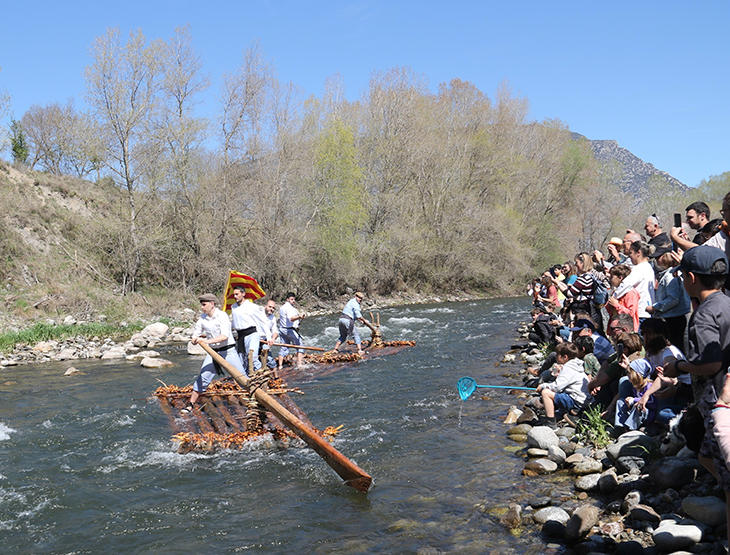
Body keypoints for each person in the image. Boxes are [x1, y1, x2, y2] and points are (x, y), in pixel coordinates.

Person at [663, 244, 730, 535]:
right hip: (721, 399)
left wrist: (679, 368)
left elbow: (711, 363)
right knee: (704, 456)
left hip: (718, 401)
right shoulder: (726, 302)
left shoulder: (704, 315)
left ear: (691, 277)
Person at [183, 294, 245, 413]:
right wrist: (194, 339)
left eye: (204, 304)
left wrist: (205, 341)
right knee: (203, 377)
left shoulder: (222, 316)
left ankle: (256, 399)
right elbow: (196, 333)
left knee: (240, 377)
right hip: (212, 352)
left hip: (228, 351)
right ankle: (190, 404)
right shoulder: (203, 318)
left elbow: (224, 336)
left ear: (212, 304)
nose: (202, 307)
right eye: (201, 305)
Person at [535, 342, 590, 429]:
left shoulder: (568, 368)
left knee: (546, 393)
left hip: (577, 401)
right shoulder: (576, 365)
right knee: (560, 393)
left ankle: (551, 423)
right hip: (583, 399)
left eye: (558, 354)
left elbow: (556, 387)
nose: (556, 356)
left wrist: (542, 386)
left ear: (565, 357)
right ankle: (560, 414)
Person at [646, 252, 691, 351]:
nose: (656, 261)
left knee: (674, 347)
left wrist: (655, 308)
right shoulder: (667, 275)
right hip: (671, 317)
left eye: (658, 258)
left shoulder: (670, 276)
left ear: (664, 258)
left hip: (673, 318)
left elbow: (673, 299)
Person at [611, 241, 656, 322]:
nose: (629, 256)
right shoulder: (648, 267)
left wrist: (614, 297)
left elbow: (626, 284)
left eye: (631, 253)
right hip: (645, 311)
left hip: (639, 312)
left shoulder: (639, 268)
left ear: (638, 253)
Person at [231, 285, 270, 375]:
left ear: (243, 294)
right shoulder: (233, 307)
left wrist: (269, 337)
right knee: (241, 359)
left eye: (237, 294)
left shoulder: (251, 306)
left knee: (252, 357)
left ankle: (263, 376)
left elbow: (262, 320)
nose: (235, 297)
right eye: (234, 294)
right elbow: (234, 322)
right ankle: (245, 379)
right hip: (240, 335)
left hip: (251, 334)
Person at [615, 357, 656, 430]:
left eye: (629, 373)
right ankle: (620, 426)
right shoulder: (635, 386)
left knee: (638, 406)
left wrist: (634, 400)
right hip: (634, 411)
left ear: (637, 375)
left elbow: (652, 403)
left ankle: (630, 429)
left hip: (646, 413)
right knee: (620, 402)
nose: (627, 375)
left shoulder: (649, 386)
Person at [606, 264, 640, 333]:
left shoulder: (630, 293)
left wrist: (616, 305)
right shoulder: (617, 292)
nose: (609, 279)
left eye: (612, 277)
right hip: (616, 328)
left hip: (627, 330)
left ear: (620, 278)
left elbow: (630, 314)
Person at [278, 292, 306, 369]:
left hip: (282, 329)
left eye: (294, 299)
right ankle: (299, 364)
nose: (293, 301)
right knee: (300, 345)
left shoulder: (282, 307)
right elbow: (291, 318)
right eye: (291, 299)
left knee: (284, 347)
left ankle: (280, 365)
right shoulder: (289, 307)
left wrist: (299, 318)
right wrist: (299, 317)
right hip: (289, 330)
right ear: (287, 299)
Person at [258, 299, 279, 370]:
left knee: (270, 359)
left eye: (273, 308)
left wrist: (273, 339)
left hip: (265, 340)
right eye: (270, 307)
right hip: (255, 339)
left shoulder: (273, 318)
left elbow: (275, 331)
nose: (271, 309)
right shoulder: (258, 314)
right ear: (265, 306)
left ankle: (276, 377)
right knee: (253, 359)